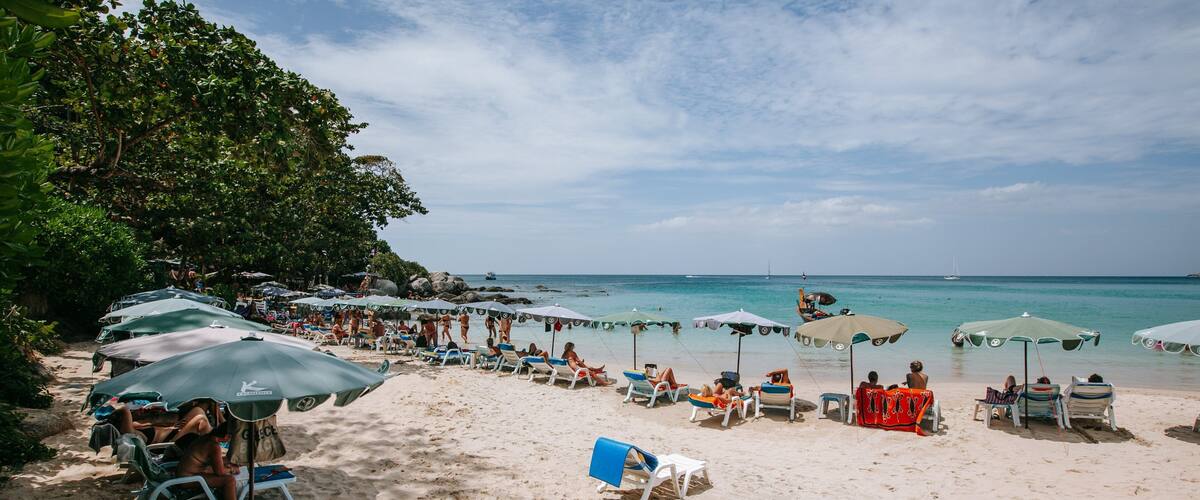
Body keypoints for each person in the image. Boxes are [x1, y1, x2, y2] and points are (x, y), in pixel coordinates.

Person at [108, 400, 218, 445]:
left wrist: (172, 427)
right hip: (170, 443)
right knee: (200, 419)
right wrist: (124, 410)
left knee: (198, 409)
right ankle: (216, 441)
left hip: (173, 432)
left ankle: (219, 429)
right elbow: (125, 411)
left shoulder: (136, 425)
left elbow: (156, 426)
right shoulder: (132, 434)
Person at [175, 430, 238, 500]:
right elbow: (220, 472)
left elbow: (215, 461)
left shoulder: (205, 438)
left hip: (184, 475)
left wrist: (232, 463)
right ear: (227, 436)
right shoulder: (213, 445)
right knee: (229, 480)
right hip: (187, 479)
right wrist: (232, 469)